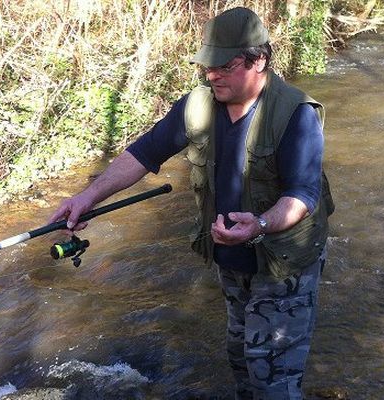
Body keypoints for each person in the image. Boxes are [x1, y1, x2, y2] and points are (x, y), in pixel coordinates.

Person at [49, 7, 334, 400]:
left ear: (260, 60)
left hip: (283, 263)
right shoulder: (197, 106)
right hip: (230, 260)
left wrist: (260, 226)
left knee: (273, 379)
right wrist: (87, 196)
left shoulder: (296, 115)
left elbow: (302, 195)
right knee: (240, 358)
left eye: (224, 66)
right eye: (207, 66)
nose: (211, 74)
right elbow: (144, 153)